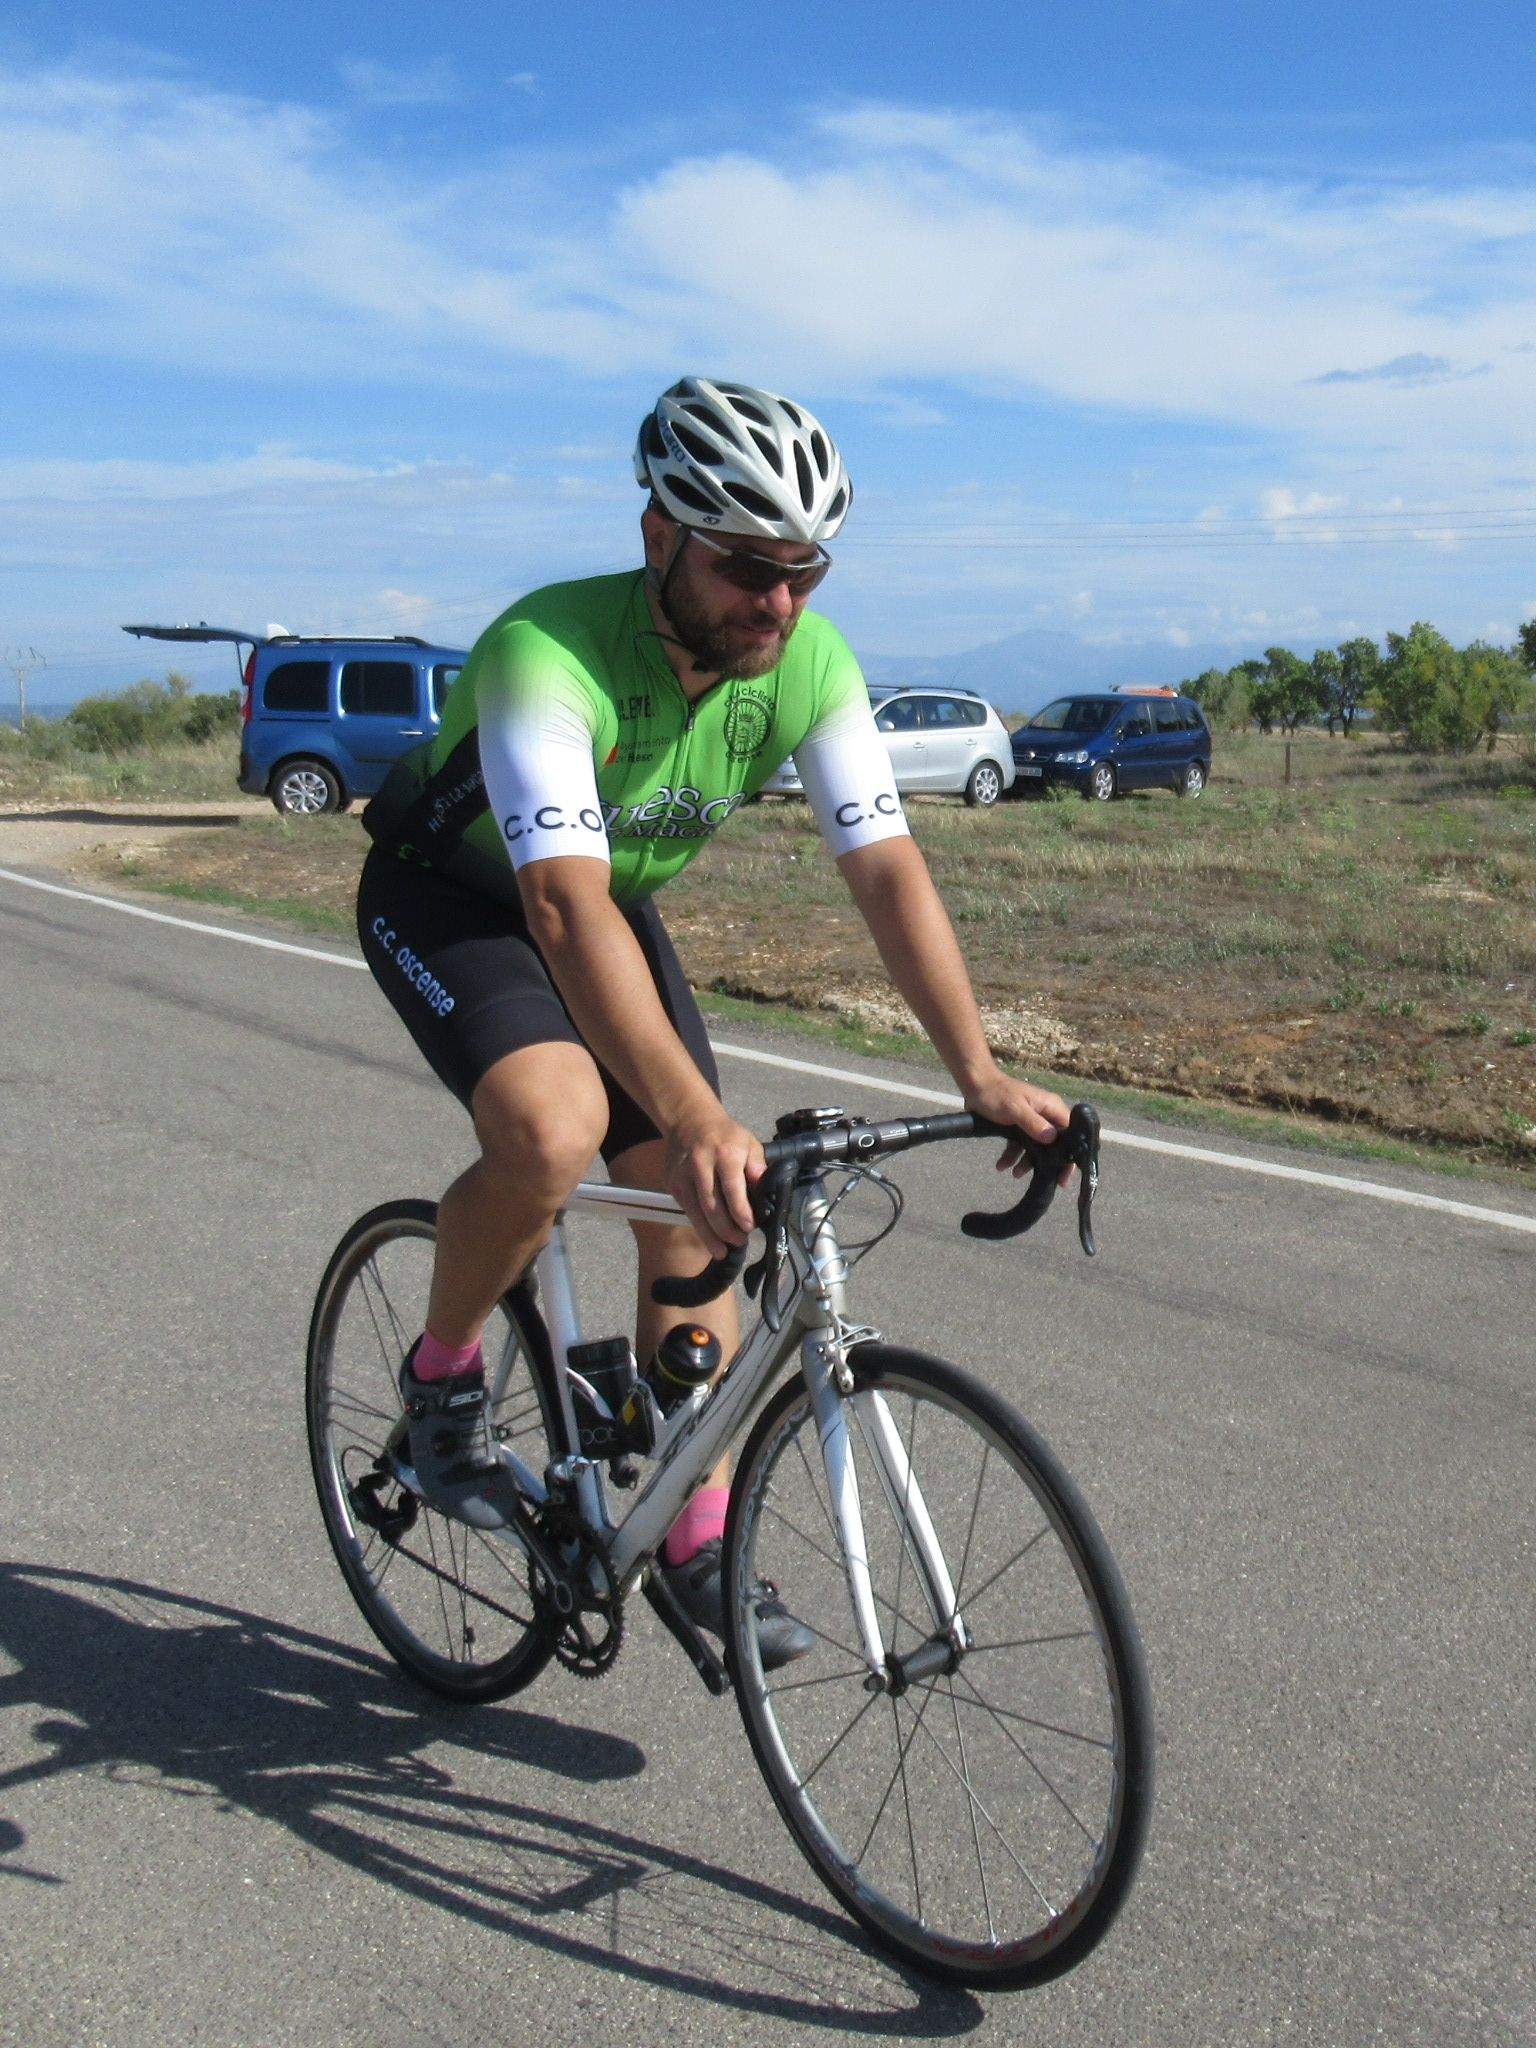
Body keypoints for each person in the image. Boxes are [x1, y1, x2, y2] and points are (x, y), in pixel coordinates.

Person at [356, 376, 1070, 1670]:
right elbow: (560, 915)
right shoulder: (545, 653)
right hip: (460, 897)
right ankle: (445, 1377)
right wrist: (687, 1111)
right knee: (557, 1124)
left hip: (606, 909)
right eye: (749, 569)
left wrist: (977, 1070)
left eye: (806, 572)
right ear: (659, 538)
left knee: (707, 1202)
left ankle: (695, 1530)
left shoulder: (803, 663)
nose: (780, 605)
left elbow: (886, 868)